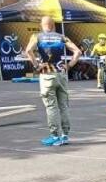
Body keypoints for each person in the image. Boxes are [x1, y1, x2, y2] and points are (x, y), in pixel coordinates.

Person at [25, 15, 81, 146]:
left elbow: (28, 50)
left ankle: (55, 135)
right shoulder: (61, 37)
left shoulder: (37, 37)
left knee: (51, 106)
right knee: (63, 105)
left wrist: (36, 66)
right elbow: (77, 52)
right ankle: (65, 135)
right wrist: (69, 65)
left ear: (42, 25)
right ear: (53, 26)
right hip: (61, 74)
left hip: (46, 73)